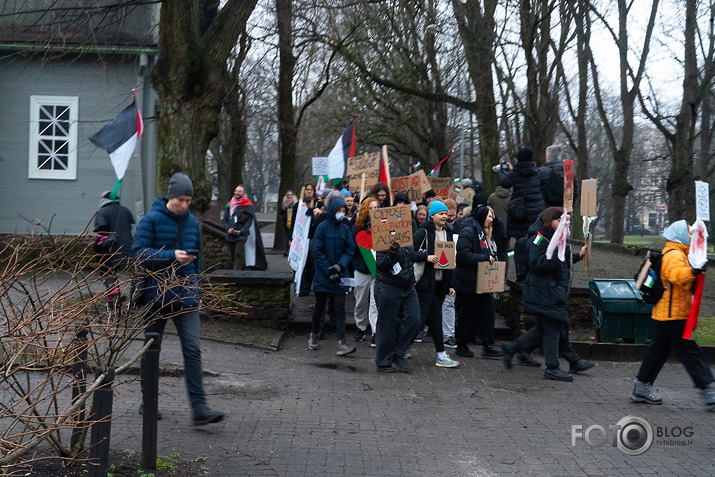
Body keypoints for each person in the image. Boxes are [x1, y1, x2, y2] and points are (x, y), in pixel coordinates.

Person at [133, 173, 224, 425]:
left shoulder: (193, 222)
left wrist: (198, 291)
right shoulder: (150, 220)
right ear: (171, 197)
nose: (185, 205)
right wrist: (172, 255)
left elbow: (198, 262)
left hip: (186, 295)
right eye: (181, 199)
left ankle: (199, 409)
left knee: (193, 350)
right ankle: (148, 402)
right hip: (155, 295)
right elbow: (138, 255)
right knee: (152, 350)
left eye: (189, 200)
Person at [501, 207, 593, 382]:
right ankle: (553, 367)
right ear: (549, 220)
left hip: (552, 291)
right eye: (560, 221)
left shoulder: (555, 238)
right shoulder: (538, 239)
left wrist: (578, 256)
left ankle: (513, 349)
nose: (563, 225)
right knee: (552, 329)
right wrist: (556, 255)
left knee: (545, 328)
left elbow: (561, 261)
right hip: (544, 291)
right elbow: (537, 263)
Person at [630, 220, 714, 409]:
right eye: (689, 233)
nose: (692, 236)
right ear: (680, 236)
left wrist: (694, 269)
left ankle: (641, 387)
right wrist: (694, 271)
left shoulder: (675, 252)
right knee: (690, 352)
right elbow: (677, 276)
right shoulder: (675, 254)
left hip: (667, 312)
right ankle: (708, 390)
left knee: (657, 352)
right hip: (673, 313)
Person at [412, 200, 460, 368]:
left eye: (446, 214)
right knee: (425, 320)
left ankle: (401, 347)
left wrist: (451, 284)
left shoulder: (449, 232)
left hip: (439, 285)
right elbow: (409, 252)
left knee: (428, 320)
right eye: (441, 214)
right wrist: (426, 257)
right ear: (432, 215)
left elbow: (450, 261)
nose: (444, 216)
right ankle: (440, 355)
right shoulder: (423, 231)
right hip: (425, 284)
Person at [453, 205, 504, 359]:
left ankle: (488, 345)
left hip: (483, 282)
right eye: (489, 216)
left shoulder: (486, 233)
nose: (492, 219)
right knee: (467, 315)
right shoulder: (469, 231)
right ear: (482, 216)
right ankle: (461, 344)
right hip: (468, 283)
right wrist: (483, 258)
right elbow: (462, 256)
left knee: (488, 313)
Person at [308, 197, 356, 356]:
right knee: (319, 307)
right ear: (333, 210)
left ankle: (342, 342)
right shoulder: (322, 228)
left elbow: (349, 249)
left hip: (340, 276)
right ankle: (314, 334)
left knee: (340, 309)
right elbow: (317, 250)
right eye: (339, 211)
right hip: (323, 276)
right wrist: (328, 269)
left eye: (344, 211)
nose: (341, 214)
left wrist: (340, 265)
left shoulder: (345, 229)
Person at [374, 233, 420, 373]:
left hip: (407, 285)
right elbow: (381, 266)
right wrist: (391, 253)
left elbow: (412, 256)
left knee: (415, 319)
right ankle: (383, 361)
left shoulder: (407, 237)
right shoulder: (383, 240)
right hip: (389, 285)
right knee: (387, 323)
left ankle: (398, 352)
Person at [94, 191, 135, 305]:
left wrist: (97, 248)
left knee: (106, 273)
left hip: (111, 247)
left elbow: (102, 232)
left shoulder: (102, 212)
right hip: (128, 246)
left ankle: (112, 296)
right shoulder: (125, 210)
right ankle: (131, 300)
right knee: (134, 274)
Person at [499, 147, 545, 239]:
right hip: (535, 212)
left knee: (520, 244)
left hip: (519, 213)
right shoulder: (537, 172)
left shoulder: (515, 174)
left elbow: (504, 183)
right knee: (535, 242)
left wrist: (502, 172)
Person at [352, 196, 379, 342]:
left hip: (376, 270)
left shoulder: (382, 225)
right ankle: (360, 327)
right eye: (371, 208)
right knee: (360, 301)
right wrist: (363, 240)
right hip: (361, 269)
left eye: (376, 208)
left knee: (375, 302)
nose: (374, 210)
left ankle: (375, 332)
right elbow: (351, 247)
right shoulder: (357, 226)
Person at [223, 185, 267, 270]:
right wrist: (228, 229)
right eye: (236, 191)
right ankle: (240, 269)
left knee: (238, 253)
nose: (237, 193)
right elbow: (225, 219)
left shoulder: (247, 205)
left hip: (241, 234)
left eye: (239, 191)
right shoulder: (229, 204)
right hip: (231, 233)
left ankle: (235, 273)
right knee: (233, 254)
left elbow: (249, 221)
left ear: (243, 193)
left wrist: (242, 231)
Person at [291, 183, 319, 296]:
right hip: (300, 238)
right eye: (307, 189)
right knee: (298, 262)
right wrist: (291, 237)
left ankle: (307, 286)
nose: (309, 191)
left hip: (312, 238)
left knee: (310, 264)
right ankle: (299, 285)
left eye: (311, 190)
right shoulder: (298, 205)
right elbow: (293, 221)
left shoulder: (318, 204)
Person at [441, 199, 458, 348]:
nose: (450, 218)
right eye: (447, 215)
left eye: (453, 215)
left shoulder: (453, 231)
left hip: (448, 272)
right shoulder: (427, 230)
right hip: (433, 272)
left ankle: (448, 335)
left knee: (448, 302)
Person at [279, 190, 296, 256]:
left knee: (290, 235)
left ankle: (289, 249)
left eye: (290, 194)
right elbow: (281, 213)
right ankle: (287, 249)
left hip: (293, 221)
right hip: (286, 221)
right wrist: (284, 209)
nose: (289, 196)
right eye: (288, 195)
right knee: (288, 235)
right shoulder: (284, 203)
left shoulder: (295, 203)